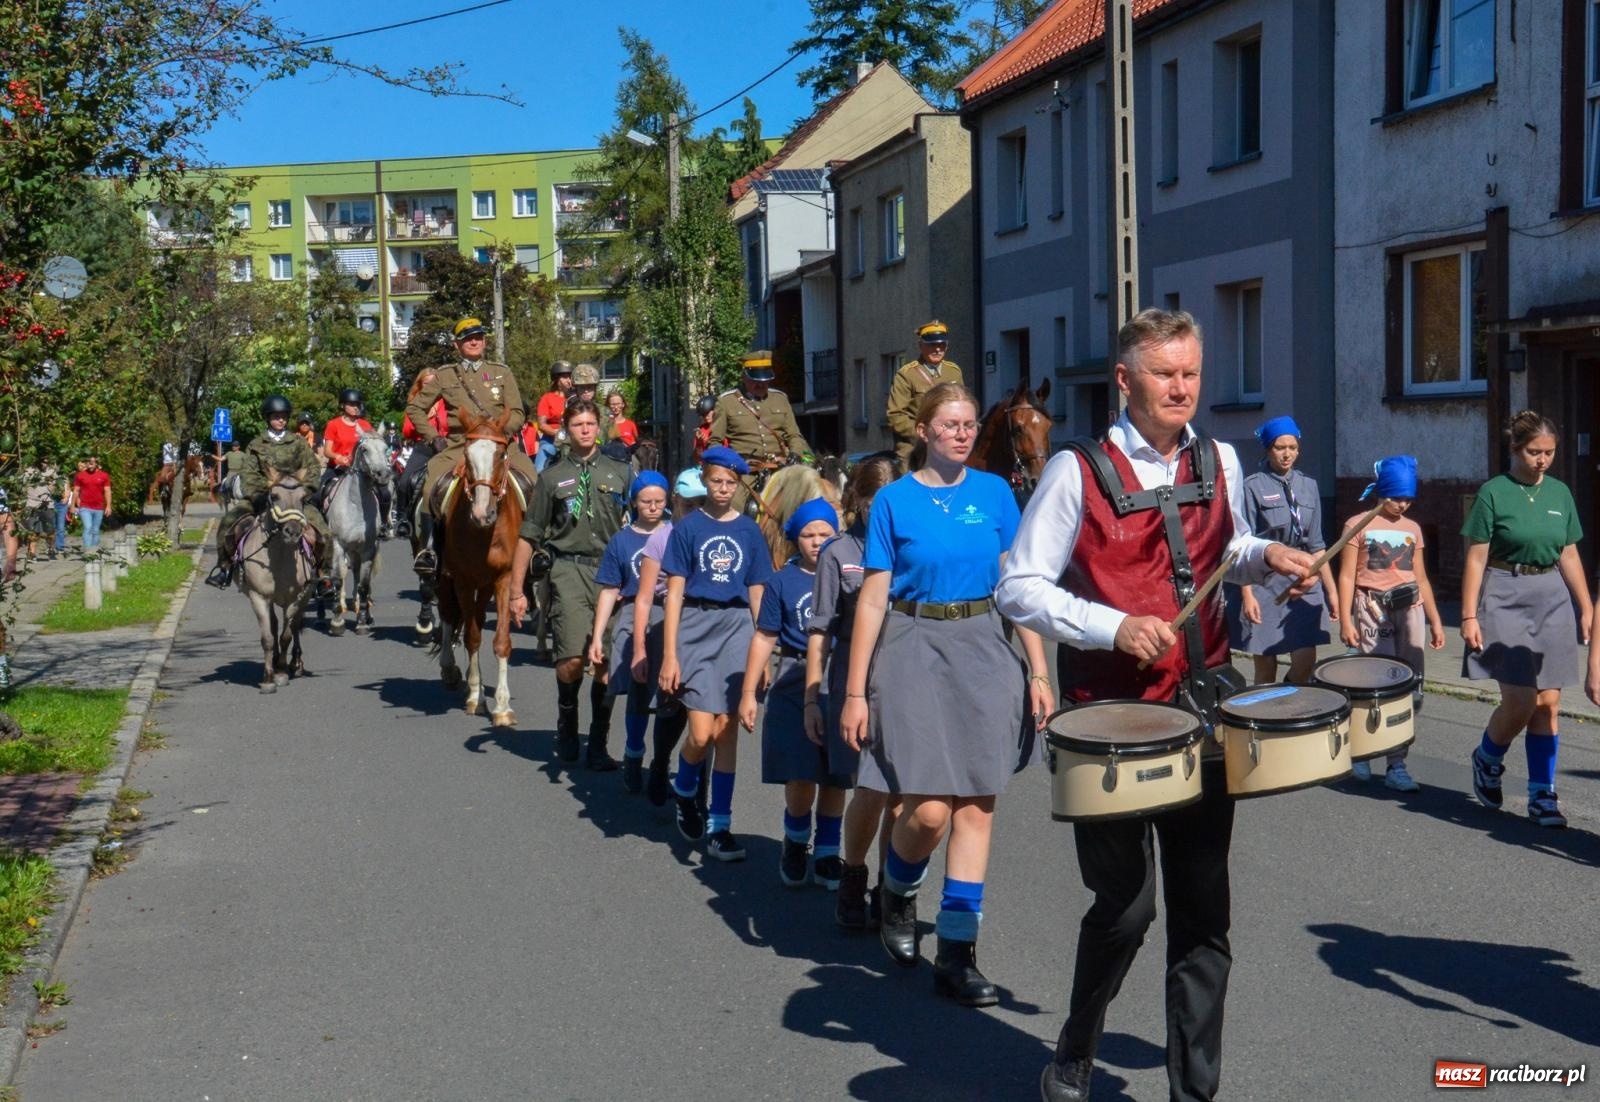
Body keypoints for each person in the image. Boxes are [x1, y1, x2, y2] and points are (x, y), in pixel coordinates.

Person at [993, 309, 1318, 1102]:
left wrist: (1264, 558)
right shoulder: (1077, 471)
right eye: (1166, 374)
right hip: (1109, 721)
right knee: (1127, 906)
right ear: (1126, 380)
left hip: (1202, 710)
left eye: (1192, 373)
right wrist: (1111, 624)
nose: (1183, 388)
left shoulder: (1220, 458)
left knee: (1205, 915)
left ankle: (1192, 1092)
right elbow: (1019, 586)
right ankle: (1076, 1045)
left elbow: (1221, 550)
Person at [838, 384, 1051, 1007]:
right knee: (927, 809)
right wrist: (855, 691)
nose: (961, 432)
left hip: (985, 644)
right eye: (949, 424)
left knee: (976, 808)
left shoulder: (995, 494)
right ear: (926, 431)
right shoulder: (894, 502)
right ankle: (898, 890)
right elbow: (874, 597)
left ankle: (957, 952)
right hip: (911, 643)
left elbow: (1020, 586)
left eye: (968, 424)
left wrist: (1039, 672)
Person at [1463, 411, 1591, 829]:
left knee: (1549, 703)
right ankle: (1488, 756)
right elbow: (1477, 556)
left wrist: (1585, 607)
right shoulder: (1494, 493)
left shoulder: (1559, 493)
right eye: (1534, 452)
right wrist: (1468, 614)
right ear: (1515, 449)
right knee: (1520, 701)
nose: (1542, 460)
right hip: (1504, 593)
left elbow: (1569, 552)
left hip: (1551, 595)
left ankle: (1542, 794)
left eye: (1549, 453)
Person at [659, 445, 774, 860]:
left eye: (730, 482)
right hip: (696, 625)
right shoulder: (688, 529)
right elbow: (673, 596)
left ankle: (720, 826)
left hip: (738, 627)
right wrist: (670, 655)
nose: (723, 489)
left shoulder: (749, 531)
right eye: (716, 481)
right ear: (704, 480)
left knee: (727, 732)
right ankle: (685, 786)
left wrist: (764, 651)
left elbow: (759, 589)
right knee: (701, 733)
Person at [805, 453, 902, 925]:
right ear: (857, 500)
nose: (881, 511)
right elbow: (820, 629)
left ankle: (892, 888)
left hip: (908, 673)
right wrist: (813, 696)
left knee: (904, 793)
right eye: (872, 501)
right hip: (855, 679)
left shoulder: (913, 544)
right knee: (871, 788)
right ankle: (854, 875)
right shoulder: (839, 553)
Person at [510, 399, 632, 767]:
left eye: (590, 423)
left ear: (599, 427)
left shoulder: (621, 472)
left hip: (613, 573)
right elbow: (528, 535)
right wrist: (517, 591)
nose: (584, 429)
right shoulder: (551, 478)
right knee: (572, 660)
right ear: (566, 428)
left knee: (609, 661)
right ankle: (567, 719)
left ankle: (598, 741)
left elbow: (646, 522)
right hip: (568, 570)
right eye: (577, 423)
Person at [740, 496, 845, 888]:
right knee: (801, 774)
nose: (817, 542)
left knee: (837, 774)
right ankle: (797, 839)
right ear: (795, 539)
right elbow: (764, 637)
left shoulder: (852, 574)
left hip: (839, 676)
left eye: (825, 534)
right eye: (808, 535)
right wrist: (749, 692)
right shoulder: (782, 581)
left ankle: (829, 851)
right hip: (794, 676)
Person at [1335, 455, 1444, 791]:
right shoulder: (1358, 523)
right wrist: (1345, 620)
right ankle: (1363, 753)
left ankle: (1397, 763)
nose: (1403, 504)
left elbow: (1421, 577)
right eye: (1397, 497)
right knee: (1375, 681)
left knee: (1408, 685)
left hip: (1410, 608)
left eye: (1409, 498)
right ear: (1381, 492)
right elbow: (1347, 575)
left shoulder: (1412, 529)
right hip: (1371, 608)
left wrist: (1436, 621)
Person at [406, 318, 535, 575]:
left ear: (485, 341)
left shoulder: (501, 372)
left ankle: (537, 549)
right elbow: (415, 407)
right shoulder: (445, 375)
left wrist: (500, 432)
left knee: (534, 481)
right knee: (431, 486)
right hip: (459, 446)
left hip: (501, 446)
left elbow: (518, 412)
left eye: (478, 336)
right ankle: (430, 550)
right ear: (457, 345)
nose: (474, 342)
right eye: (467, 338)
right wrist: (433, 437)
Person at [1224, 416, 1338, 685]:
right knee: (1265, 667)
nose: (1287, 454)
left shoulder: (1308, 486)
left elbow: (1318, 545)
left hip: (1303, 579)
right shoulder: (1252, 486)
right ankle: (1266, 717)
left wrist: (1331, 592)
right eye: (1280, 447)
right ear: (1267, 449)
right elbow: (1242, 543)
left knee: (1306, 659)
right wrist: (1247, 595)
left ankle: (1288, 704)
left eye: (1293, 447)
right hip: (1263, 581)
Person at [587, 470, 673, 792]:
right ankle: (634, 753)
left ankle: (661, 762)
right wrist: (598, 636)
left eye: (659, 501)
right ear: (634, 502)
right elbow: (610, 590)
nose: (652, 507)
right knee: (638, 689)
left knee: (669, 693)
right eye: (645, 501)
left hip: (670, 615)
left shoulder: (676, 534)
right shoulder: (622, 540)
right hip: (633, 613)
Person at [631, 468, 706, 804]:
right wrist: (639, 649)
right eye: (689, 505)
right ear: (675, 502)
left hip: (706, 623)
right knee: (672, 705)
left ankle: (699, 791)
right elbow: (645, 597)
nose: (695, 512)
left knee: (706, 712)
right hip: (669, 620)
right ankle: (660, 763)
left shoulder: (714, 536)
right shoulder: (661, 538)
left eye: (701, 505)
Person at [205, 395, 331, 590]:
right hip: (264, 499)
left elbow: (313, 469)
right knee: (228, 524)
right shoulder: (256, 445)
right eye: (276, 416)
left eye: (284, 416)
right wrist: (261, 495)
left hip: (294, 501)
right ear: (267, 418)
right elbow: (249, 474)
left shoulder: (298, 444)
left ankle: (324, 575)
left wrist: (303, 491)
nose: (280, 420)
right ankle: (224, 568)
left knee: (323, 532)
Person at [709, 350, 812, 471]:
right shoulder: (726, 402)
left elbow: (794, 435)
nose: (761, 385)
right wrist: (727, 466)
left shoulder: (780, 399)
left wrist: (795, 454)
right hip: (745, 470)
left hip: (779, 468)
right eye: (755, 380)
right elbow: (715, 442)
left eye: (764, 380)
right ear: (744, 376)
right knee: (738, 491)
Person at [885, 320, 964, 465]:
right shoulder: (907, 374)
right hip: (916, 447)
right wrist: (925, 434)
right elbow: (895, 415)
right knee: (909, 484)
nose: (937, 349)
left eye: (941, 345)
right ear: (921, 346)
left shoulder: (953, 372)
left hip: (948, 444)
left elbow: (962, 408)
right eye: (932, 345)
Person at [398, 367, 446, 531]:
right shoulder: (415, 403)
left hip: (446, 448)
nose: (431, 387)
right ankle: (402, 518)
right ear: (420, 385)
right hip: (424, 447)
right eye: (427, 383)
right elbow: (407, 431)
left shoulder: (447, 402)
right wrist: (424, 420)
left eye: (434, 383)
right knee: (404, 482)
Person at [532, 361, 575, 473]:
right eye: (565, 377)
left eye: (570, 377)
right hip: (551, 440)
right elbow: (542, 424)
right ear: (557, 379)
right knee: (539, 469)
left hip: (574, 440)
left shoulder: (576, 399)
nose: (569, 380)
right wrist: (559, 434)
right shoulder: (547, 398)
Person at [70, 454, 112, 552]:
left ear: (96, 464)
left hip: (99, 507)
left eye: (92, 463)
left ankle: (94, 550)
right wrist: (72, 505)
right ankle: (88, 551)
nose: (90, 465)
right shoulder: (80, 476)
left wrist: (108, 506)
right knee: (88, 528)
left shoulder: (104, 475)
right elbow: (76, 491)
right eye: (88, 463)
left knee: (96, 530)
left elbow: (107, 491)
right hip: (85, 506)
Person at [692, 395, 716, 464]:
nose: (705, 417)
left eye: (707, 413)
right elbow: (698, 460)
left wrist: (708, 442)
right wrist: (699, 444)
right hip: (708, 468)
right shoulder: (702, 430)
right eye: (703, 414)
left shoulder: (727, 427)